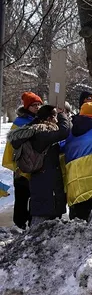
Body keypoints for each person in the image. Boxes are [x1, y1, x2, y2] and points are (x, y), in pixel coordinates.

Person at [6, 105, 71, 226]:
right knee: (43, 221)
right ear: (48, 118)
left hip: (40, 179)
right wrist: (63, 114)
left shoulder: (34, 131)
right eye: (55, 117)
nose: (56, 120)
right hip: (47, 182)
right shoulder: (42, 134)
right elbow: (63, 132)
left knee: (42, 213)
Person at [2, 92, 42, 229]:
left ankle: (30, 223)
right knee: (22, 197)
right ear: (27, 107)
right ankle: (19, 224)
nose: (37, 107)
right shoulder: (20, 123)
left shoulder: (39, 120)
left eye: (39, 104)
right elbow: (13, 144)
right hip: (22, 166)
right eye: (34, 105)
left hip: (34, 166)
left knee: (33, 197)